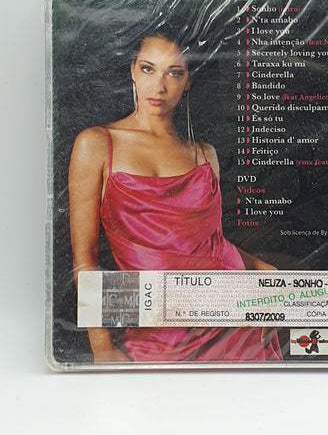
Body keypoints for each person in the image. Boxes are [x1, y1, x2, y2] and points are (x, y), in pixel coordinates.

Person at [69, 31, 282, 363]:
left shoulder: (204, 155)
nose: (159, 86)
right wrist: (102, 346)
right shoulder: (96, 143)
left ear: (188, 81)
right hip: (156, 331)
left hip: (234, 321)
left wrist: (263, 270)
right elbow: (85, 260)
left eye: (174, 72)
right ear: (132, 70)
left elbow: (208, 242)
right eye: (148, 69)